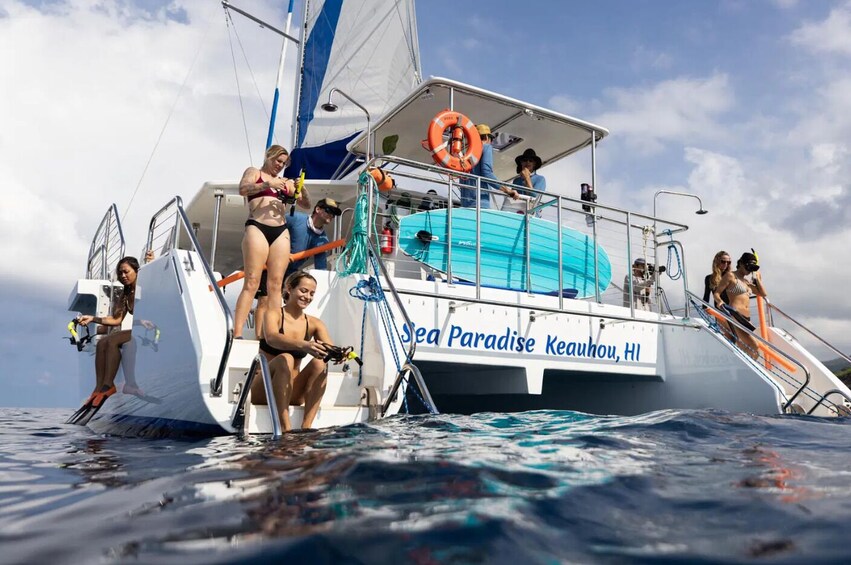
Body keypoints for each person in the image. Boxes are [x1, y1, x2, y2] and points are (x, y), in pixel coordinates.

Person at [234, 145, 310, 339]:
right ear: (269, 156)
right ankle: (237, 333)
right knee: (251, 281)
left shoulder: (285, 182)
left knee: (276, 284)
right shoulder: (254, 172)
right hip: (257, 225)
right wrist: (268, 185)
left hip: (280, 230)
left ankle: (273, 333)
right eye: (278, 160)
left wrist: (301, 188)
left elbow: (306, 204)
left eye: (284, 163)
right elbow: (243, 189)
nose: (280, 165)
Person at [253, 271, 334, 431]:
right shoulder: (273, 314)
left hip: (294, 393)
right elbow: (272, 338)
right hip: (264, 389)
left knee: (320, 363)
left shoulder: (314, 323)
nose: (308, 297)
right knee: (286, 358)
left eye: (312, 293)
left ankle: (306, 426)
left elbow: (329, 347)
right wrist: (304, 345)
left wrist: (339, 354)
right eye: (303, 291)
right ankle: (285, 428)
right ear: (289, 289)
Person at [255, 198, 342, 337]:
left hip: (290, 272)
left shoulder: (323, 240)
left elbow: (321, 268)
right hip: (271, 264)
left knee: (284, 304)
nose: (331, 215)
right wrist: (281, 252)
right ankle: (259, 339)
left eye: (333, 213)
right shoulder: (294, 218)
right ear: (318, 210)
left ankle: (274, 336)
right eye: (328, 211)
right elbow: (271, 231)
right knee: (264, 300)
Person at [75, 256, 142, 410]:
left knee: (112, 341)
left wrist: (150, 260)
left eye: (126, 272)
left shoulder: (143, 286)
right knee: (103, 342)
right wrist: (93, 318)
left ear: (136, 271)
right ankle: (98, 388)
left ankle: (108, 385)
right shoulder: (124, 294)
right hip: (130, 329)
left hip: (142, 330)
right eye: (120, 273)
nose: (123, 276)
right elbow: (117, 319)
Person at [713, 251, 768, 358]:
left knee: (743, 347)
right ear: (741, 263)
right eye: (748, 266)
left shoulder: (747, 282)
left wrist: (757, 277)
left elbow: (763, 293)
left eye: (751, 268)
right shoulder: (731, 276)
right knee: (754, 346)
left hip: (746, 319)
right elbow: (717, 293)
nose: (749, 270)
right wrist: (720, 301)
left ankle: (744, 370)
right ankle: (751, 371)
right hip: (735, 315)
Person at [459, 124, 518, 208]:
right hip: (480, 203)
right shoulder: (486, 147)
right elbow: (486, 173)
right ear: (487, 137)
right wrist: (508, 191)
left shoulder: (466, 154)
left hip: (465, 204)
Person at [508, 148, 547, 215]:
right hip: (517, 213)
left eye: (530, 160)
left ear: (534, 163)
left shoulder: (540, 179)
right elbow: (512, 199)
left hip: (532, 216)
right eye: (525, 160)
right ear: (521, 163)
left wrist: (527, 178)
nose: (527, 162)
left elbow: (534, 196)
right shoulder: (516, 181)